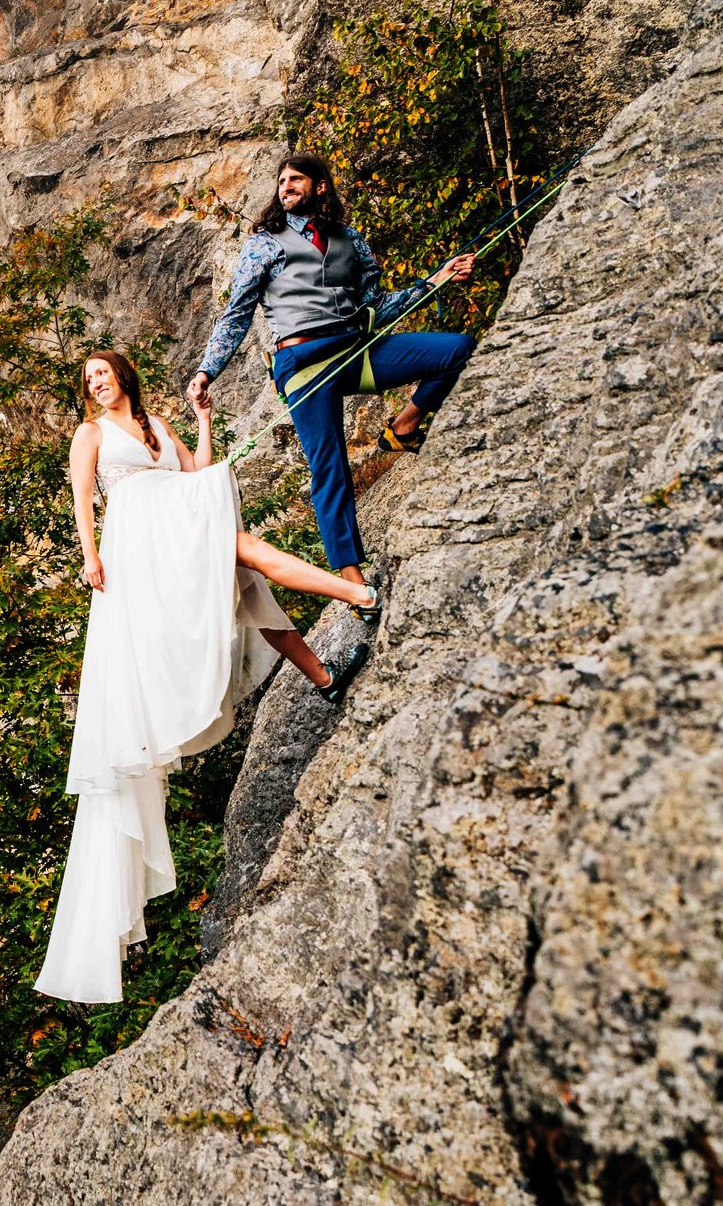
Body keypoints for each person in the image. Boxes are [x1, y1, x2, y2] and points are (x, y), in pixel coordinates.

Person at [34, 350, 380, 1005]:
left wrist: (201, 421)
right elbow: (82, 500)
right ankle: (354, 596)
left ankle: (325, 671)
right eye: (87, 380)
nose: (95, 382)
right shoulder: (91, 435)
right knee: (251, 565)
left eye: (101, 372)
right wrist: (89, 559)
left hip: (182, 526)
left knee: (251, 580)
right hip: (142, 555)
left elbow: (195, 474)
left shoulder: (157, 425)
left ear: (122, 374)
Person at [186, 153, 477, 589]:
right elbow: (237, 313)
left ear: (320, 186)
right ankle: (352, 579)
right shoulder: (264, 243)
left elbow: (379, 305)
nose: (285, 186)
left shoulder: (349, 239)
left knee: (457, 349)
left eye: (296, 179)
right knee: (331, 466)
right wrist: (208, 370)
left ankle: (403, 426)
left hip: (357, 349)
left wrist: (436, 280)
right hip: (302, 363)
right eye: (281, 181)